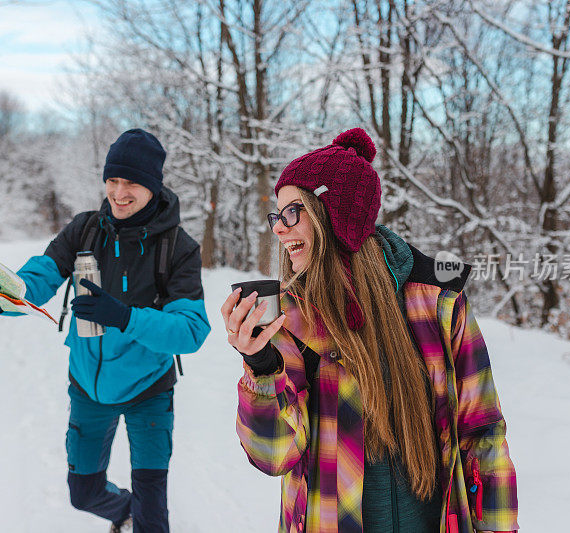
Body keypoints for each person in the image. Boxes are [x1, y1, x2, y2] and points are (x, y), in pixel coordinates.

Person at [221, 128, 518, 533]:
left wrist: (497, 527)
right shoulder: (291, 318)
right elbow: (274, 456)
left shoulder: (438, 305)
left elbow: (482, 432)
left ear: (333, 212)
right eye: (276, 216)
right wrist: (260, 366)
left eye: (292, 212)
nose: (278, 227)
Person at [0, 129, 211, 532]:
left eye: (131, 182)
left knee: (154, 517)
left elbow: (190, 330)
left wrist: (126, 317)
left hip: (149, 392)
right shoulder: (85, 230)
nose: (119, 192)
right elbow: (38, 281)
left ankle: (146, 517)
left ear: (153, 186)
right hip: (87, 387)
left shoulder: (177, 248)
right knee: (83, 494)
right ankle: (124, 512)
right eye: (113, 180)